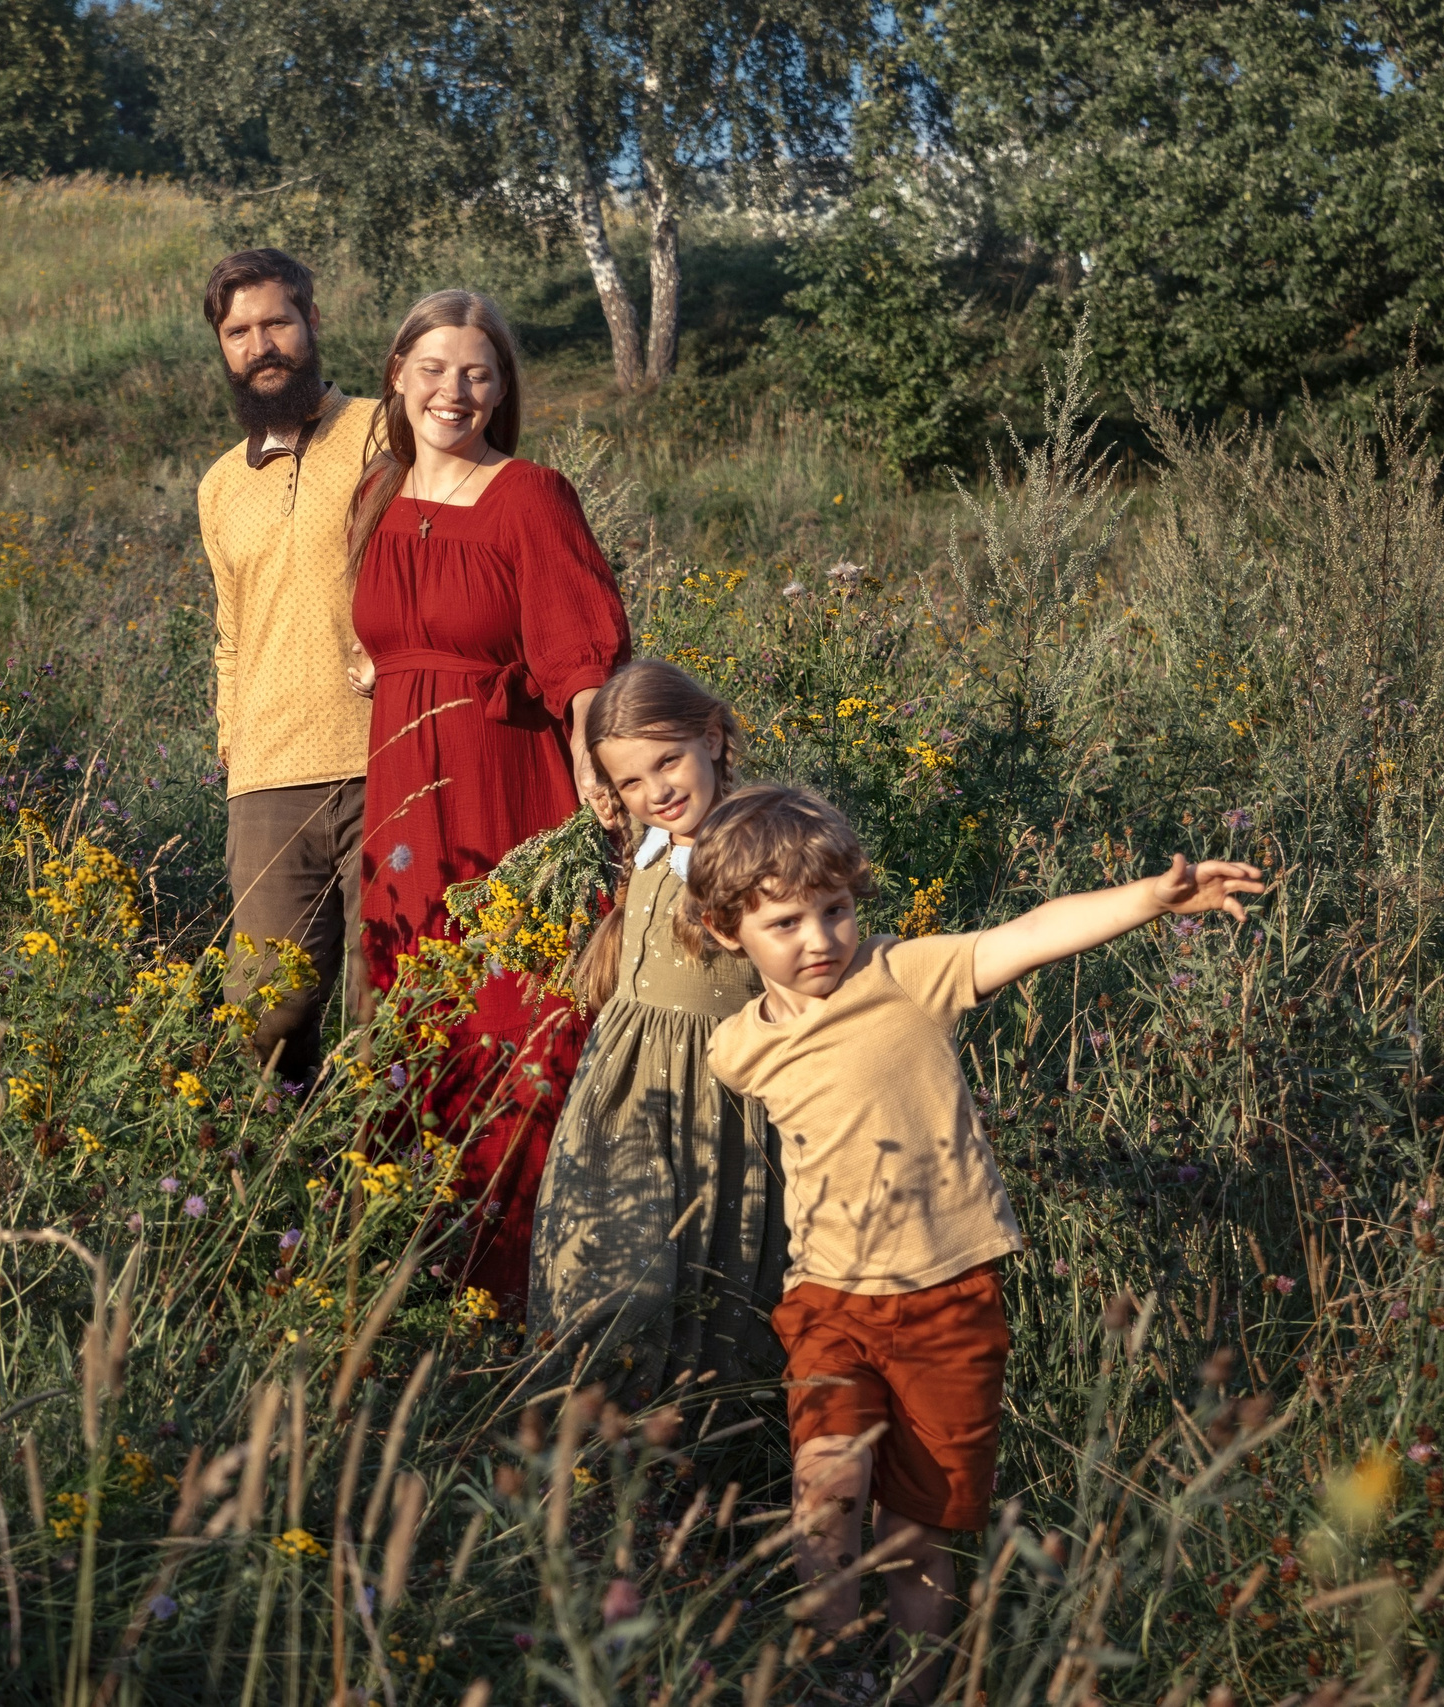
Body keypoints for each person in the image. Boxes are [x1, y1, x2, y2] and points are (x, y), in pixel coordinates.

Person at [683, 786, 1266, 1700]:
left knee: (920, 1530)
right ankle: (836, 1675)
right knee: (826, 1492)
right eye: (786, 921)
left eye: (834, 910)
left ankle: (916, 1688)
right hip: (831, 1299)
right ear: (728, 930)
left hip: (950, 1301)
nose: (820, 938)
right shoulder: (735, 1048)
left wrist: (1149, 900)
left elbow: (1029, 933)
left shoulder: (903, 974)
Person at [347, 288, 630, 1311]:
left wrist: (596, 758)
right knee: (411, 1012)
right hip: (398, 800)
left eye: (476, 372)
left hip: (503, 783)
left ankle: (516, 1285)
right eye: (432, 368)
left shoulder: (530, 495)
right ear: (396, 376)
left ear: (502, 388)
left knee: (513, 1021)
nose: (451, 391)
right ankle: (413, 1278)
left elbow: (579, 649)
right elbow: (378, 631)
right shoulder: (374, 494)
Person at [527, 662, 785, 1400]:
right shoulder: (645, 849)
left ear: (710, 738)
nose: (658, 791)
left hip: (710, 1089)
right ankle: (587, 1410)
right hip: (622, 1085)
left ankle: (687, 1431)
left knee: (703, 1255)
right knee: (610, 1246)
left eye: (669, 761)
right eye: (634, 782)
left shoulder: (752, 847)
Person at [197, 248, 378, 1088]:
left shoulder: (387, 429)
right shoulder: (218, 486)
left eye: (276, 322)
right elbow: (230, 632)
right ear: (224, 348)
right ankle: (285, 1183)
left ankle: (398, 1188)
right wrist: (233, 738)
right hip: (269, 774)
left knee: (396, 1002)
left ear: (313, 323)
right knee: (268, 1010)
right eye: (240, 332)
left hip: (390, 755)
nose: (261, 344)